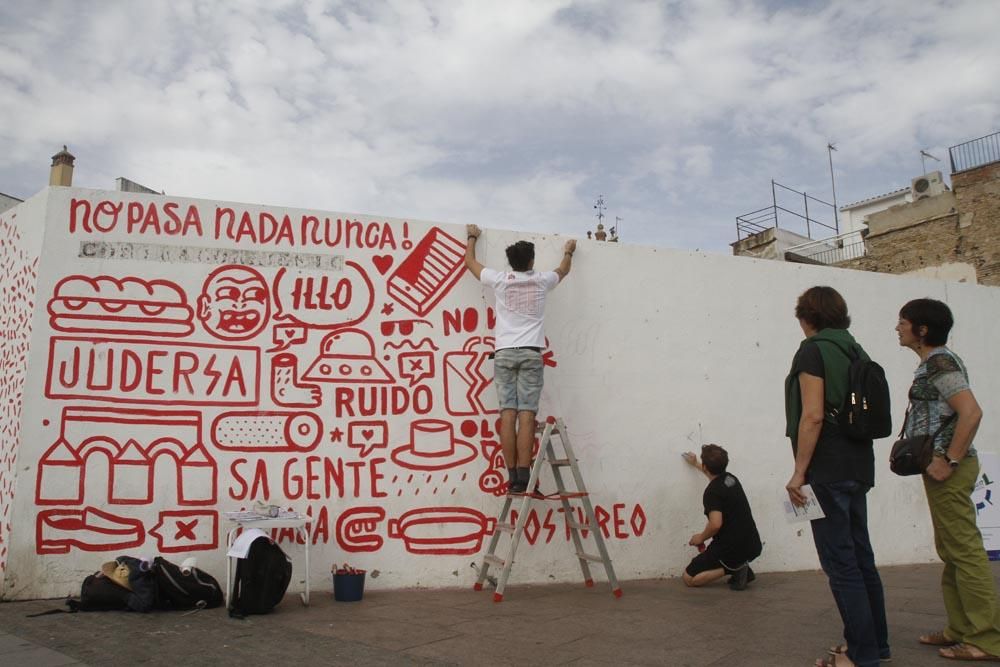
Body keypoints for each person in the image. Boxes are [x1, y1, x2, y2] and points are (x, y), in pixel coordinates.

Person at [784, 286, 890, 667]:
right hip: (859, 463)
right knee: (861, 558)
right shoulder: (855, 348)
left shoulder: (813, 350)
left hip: (826, 466)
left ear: (807, 317)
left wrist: (798, 473)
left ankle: (862, 657)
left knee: (840, 564)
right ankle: (876, 646)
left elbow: (812, 414)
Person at [896, 298, 1000, 662]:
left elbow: (971, 412)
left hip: (949, 469)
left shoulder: (940, 361)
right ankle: (960, 628)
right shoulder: (932, 363)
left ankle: (986, 638)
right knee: (952, 550)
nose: (898, 328)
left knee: (966, 553)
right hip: (940, 467)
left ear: (921, 330)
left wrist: (950, 460)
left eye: (903, 322)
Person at [464, 224, 575, 494]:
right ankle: (525, 479)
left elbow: (470, 262)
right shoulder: (542, 280)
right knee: (527, 416)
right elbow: (563, 270)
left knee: (507, 415)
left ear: (511, 262)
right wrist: (568, 252)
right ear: (532, 261)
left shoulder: (500, 279)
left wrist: (472, 237)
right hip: (530, 353)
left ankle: (511, 476)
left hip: (503, 353)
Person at [681, 444, 762, 591]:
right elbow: (714, 477)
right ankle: (738, 566)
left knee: (689, 578)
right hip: (751, 544)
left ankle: (735, 568)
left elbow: (715, 524)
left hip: (729, 548)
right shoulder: (731, 479)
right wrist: (696, 464)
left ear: (706, 467)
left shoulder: (711, 493)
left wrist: (701, 537)